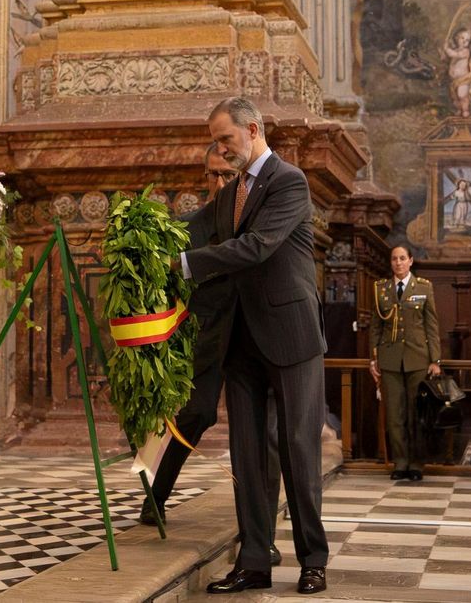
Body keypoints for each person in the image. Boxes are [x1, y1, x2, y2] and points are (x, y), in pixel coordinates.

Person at [178, 97, 328, 596]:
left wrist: (184, 264)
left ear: (254, 129)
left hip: (290, 335)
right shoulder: (230, 192)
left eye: (225, 139)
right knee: (247, 458)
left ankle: (313, 560)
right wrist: (137, 238)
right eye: (216, 142)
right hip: (240, 341)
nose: (220, 150)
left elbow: (257, 246)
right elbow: (191, 231)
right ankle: (254, 561)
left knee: (298, 449)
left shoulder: (289, 181)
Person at [143, 145, 282, 574]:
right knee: (196, 415)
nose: (219, 184)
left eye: (227, 176)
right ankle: (154, 498)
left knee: (266, 435)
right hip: (206, 339)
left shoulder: (259, 218)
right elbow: (162, 258)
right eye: (212, 176)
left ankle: (263, 535)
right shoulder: (193, 224)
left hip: (254, 341)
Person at [368, 245, 441, 482]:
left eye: (402, 258)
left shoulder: (424, 287)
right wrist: (374, 359)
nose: (398, 263)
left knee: (415, 415)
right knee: (395, 415)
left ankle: (416, 464)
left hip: (418, 359)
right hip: (390, 360)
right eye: (394, 259)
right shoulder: (381, 289)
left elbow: (431, 325)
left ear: (410, 261)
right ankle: (400, 463)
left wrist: (435, 360)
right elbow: (376, 328)